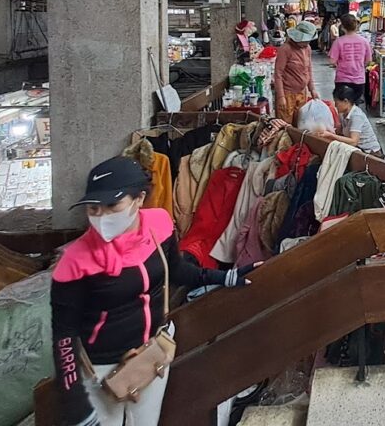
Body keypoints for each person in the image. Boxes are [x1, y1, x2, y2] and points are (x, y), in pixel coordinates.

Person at [51, 157, 257, 426]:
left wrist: (225, 277)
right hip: (101, 371)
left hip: (152, 353)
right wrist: (76, 404)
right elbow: (64, 336)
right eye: (93, 208)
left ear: (139, 199)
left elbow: (177, 271)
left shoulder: (159, 225)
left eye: (112, 205)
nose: (101, 216)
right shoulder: (74, 261)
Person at [318, 83, 384, 158]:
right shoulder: (343, 114)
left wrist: (331, 135)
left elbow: (353, 141)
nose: (335, 106)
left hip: (370, 153)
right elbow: (340, 131)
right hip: (359, 150)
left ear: (346, 101)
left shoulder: (356, 116)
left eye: (337, 103)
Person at [274, 20, 319, 124]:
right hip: (287, 94)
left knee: (301, 124)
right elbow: (278, 74)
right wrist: (281, 97)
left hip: (302, 93)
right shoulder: (285, 49)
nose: (307, 43)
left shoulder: (307, 48)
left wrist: (312, 89)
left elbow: (308, 69)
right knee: (285, 125)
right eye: (306, 40)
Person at [328, 13, 372, 103]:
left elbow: (332, 61)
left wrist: (338, 64)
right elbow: (369, 61)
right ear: (356, 25)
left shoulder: (338, 42)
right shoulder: (364, 41)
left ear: (343, 27)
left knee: (342, 105)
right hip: (359, 80)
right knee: (354, 106)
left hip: (342, 79)